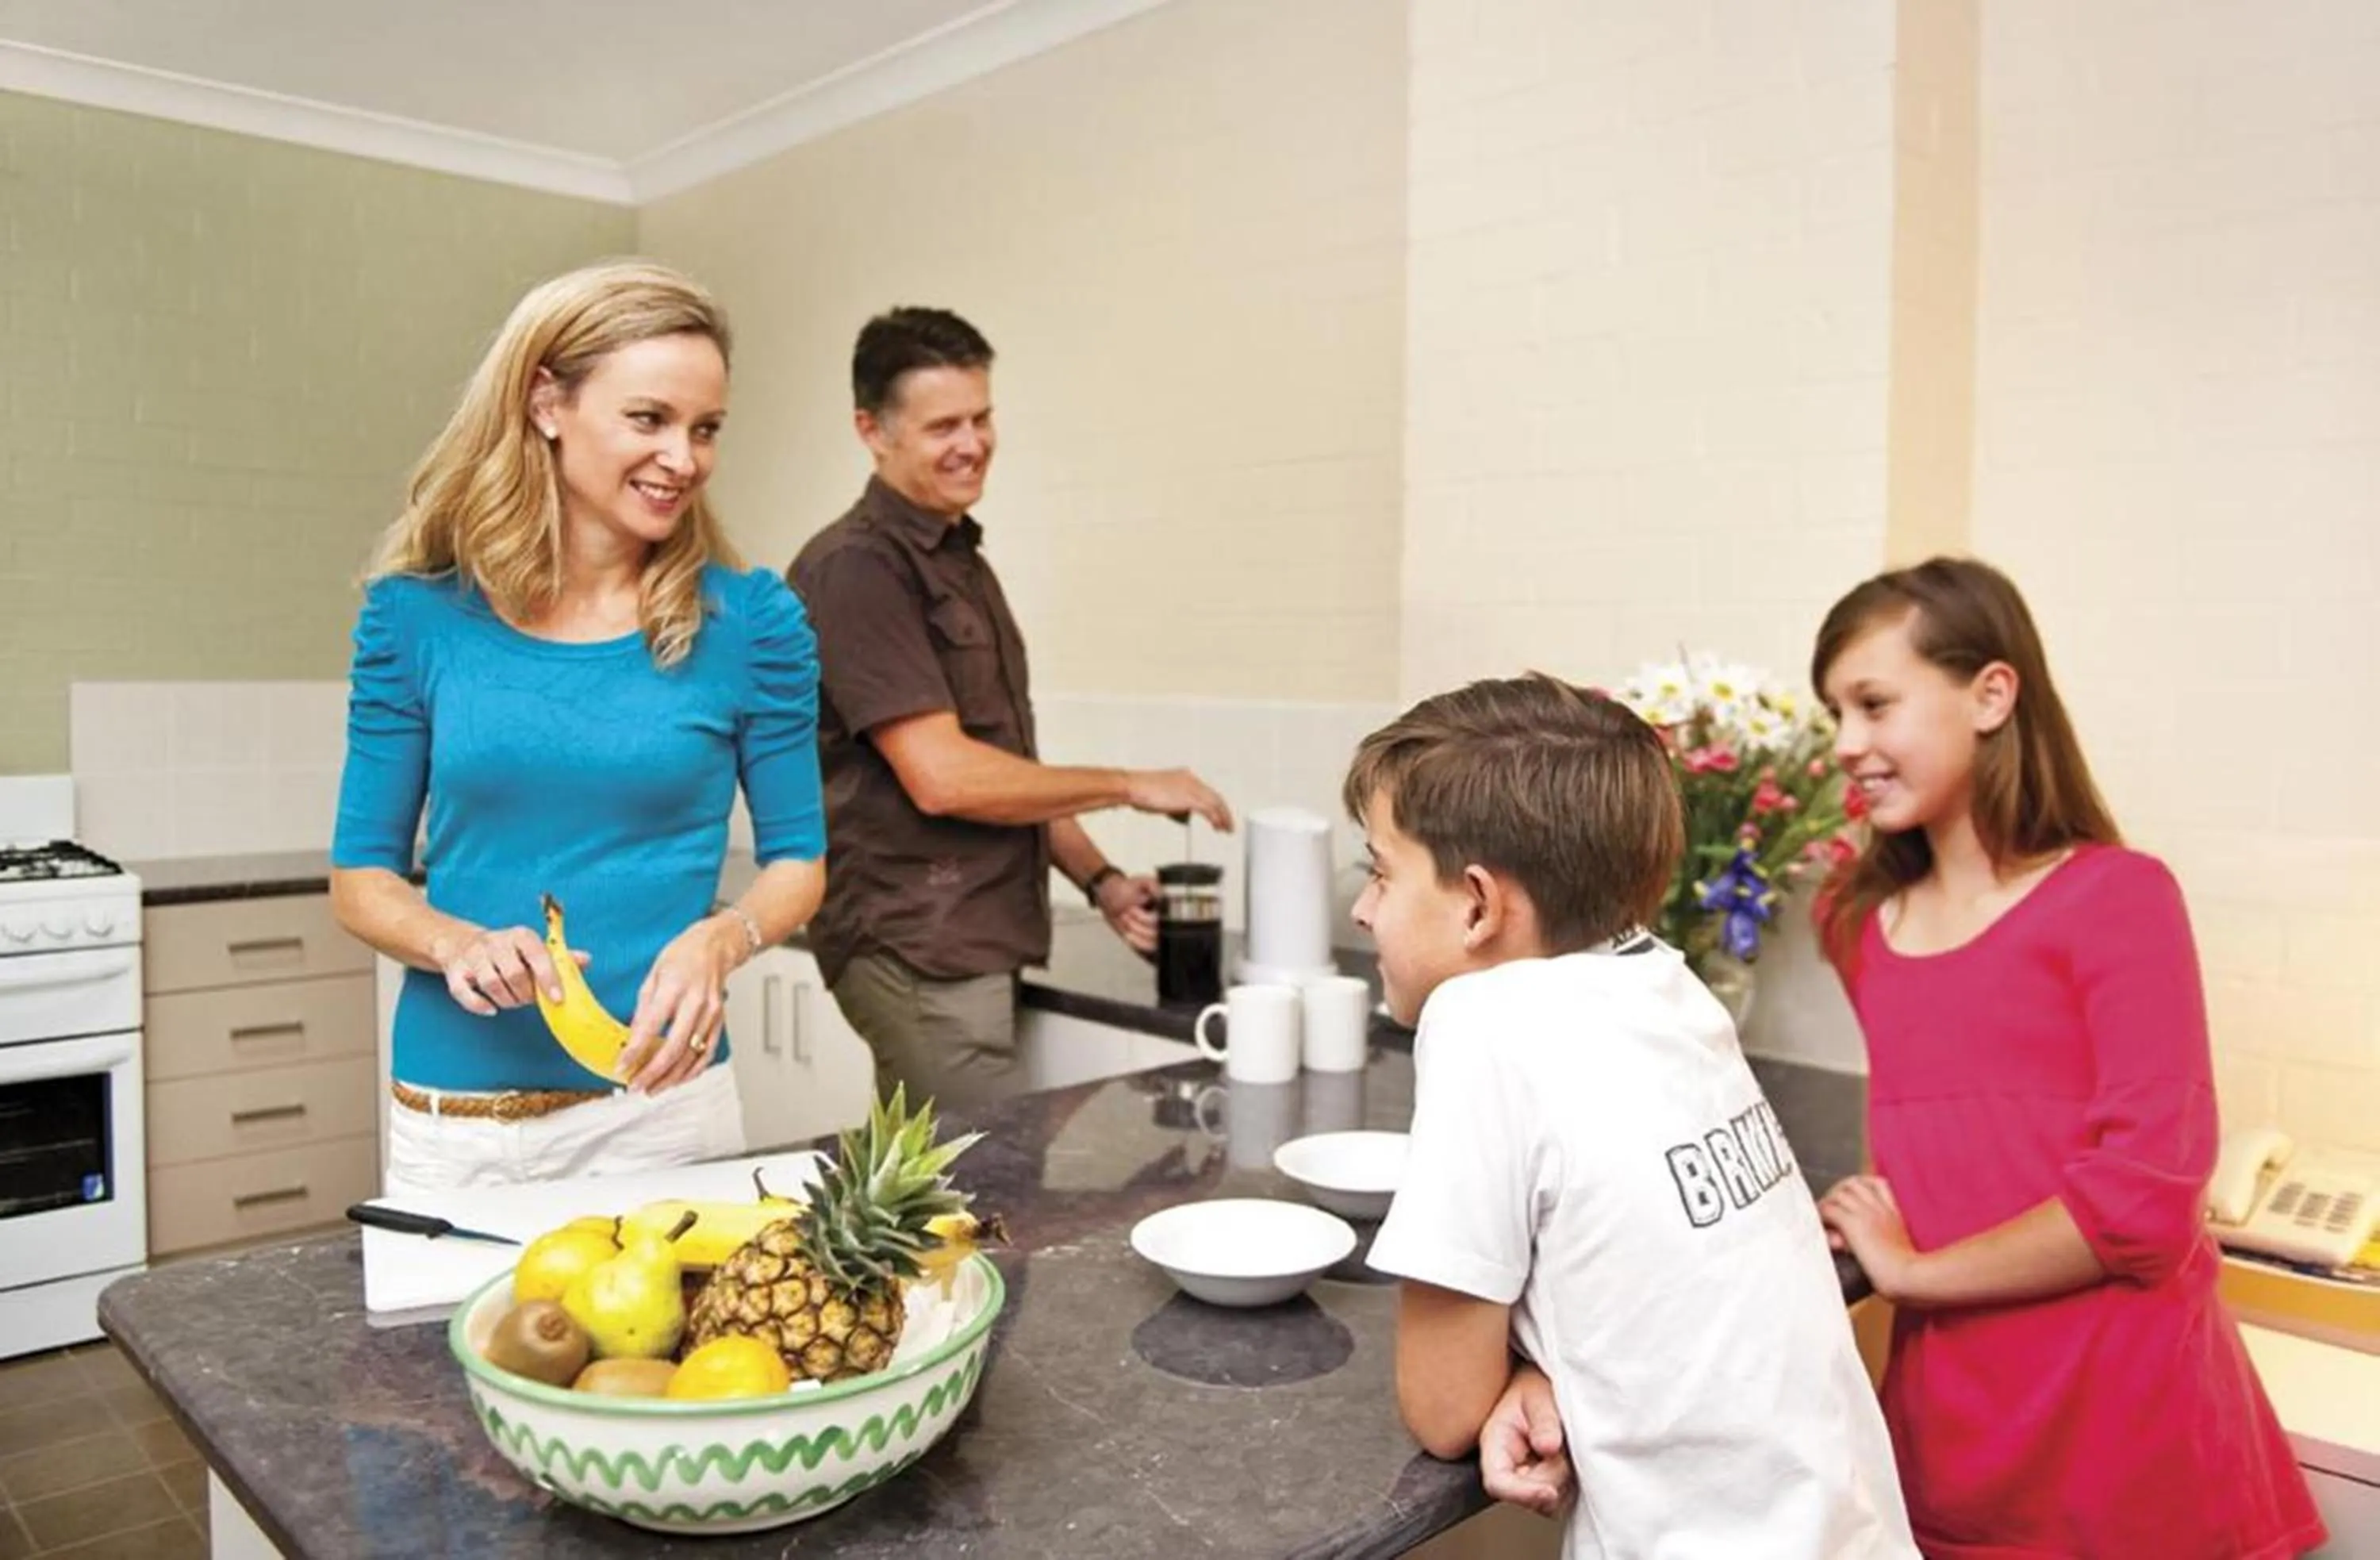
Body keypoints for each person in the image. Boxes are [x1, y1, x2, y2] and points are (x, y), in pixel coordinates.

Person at [1806, 556, 2324, 1558]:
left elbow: (2142, 1204)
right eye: (1834, 713)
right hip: (1951, 1438)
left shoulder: (2119, 898)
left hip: (2126, 1437)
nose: (1846, 744)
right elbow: (1972, 1123)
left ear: (1993, 694)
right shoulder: (1857, 921)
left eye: (1873, 704)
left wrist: (1912, 1272)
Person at [1349, 674, 1917, 1560]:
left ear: (1477, 903)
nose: (1363, 908)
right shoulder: (1667, 981)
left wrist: (1519, 1373)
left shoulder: (1483, 1020)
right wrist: (1547, 1362)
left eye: (1379, 872)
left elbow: (1445, 1407)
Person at [330, 259, 827, 1194]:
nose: (685, 458)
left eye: (706, 428)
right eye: (650, 419)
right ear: (547, 402)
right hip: (458, 1125)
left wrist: (726, 937)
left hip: (665, 1116)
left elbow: (799, 860)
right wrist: (455, 943)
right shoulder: (415, 618)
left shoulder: (753, 624)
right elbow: (361, 879)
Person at [789, 306, 1232, 1111]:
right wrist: (1133, 784)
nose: (973, 442)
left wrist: (1097, 878)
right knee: (980, 1195)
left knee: (977, 1194)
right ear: (872, 430)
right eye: (943, 426)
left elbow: (1004, 768)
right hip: (916, 945)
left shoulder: (958, 558)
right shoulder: (857, 571)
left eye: (982, 416)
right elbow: (944, 778)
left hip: (976, 936)